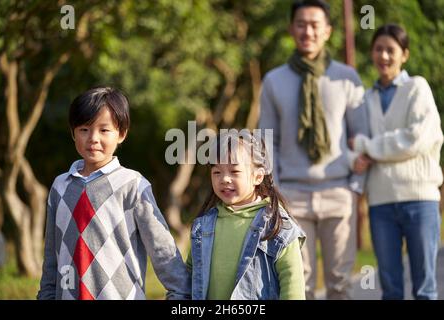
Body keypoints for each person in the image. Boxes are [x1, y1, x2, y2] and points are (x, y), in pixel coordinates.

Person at [259, 0, 370, 299]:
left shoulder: (346, 78)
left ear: (328, 31)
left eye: (314, 25)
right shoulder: (273, 80)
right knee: (298, 284)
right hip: (292, 195)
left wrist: (354, 189)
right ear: (291, 29)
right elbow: (267, 143)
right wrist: (276, 196)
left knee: (339, 284)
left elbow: (363, 139)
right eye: (301, 24)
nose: (308, 31)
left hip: (339, 192)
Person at [37, 87, 191, 300]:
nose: (93, 138)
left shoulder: (132, 185)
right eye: (84, 129)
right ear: (73, 132)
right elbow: (52, 255)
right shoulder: (60, 187)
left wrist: (181, 295)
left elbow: (162, 248)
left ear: (121, 134)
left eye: (104, 130)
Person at [349, 24, 443, 300]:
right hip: (380, 203)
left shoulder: (417, 88)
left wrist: (369, 146)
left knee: (425, 287)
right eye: (378, 49)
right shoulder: (365, 99)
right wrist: (358, 156)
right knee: (390, 289)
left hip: (420, 200)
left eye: (391, 50)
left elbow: (415, 139)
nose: (384, 56)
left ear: (405, 54)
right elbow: (353, 142)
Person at [187, 131, 306, 300]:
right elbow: (189, 277)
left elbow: (292, 283)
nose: (225, 179)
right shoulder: (204, 226)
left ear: (258, 176)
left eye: (234, 171)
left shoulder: (277, 227)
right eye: (217, 172)